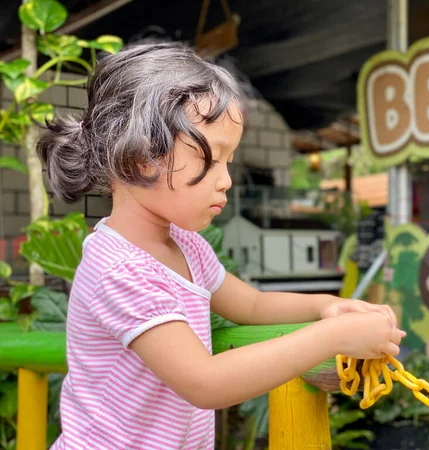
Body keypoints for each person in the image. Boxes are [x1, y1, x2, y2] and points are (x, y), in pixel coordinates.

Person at [38, 42, 405, 450]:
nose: (226, 180)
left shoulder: (185, 245)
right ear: (140, 158)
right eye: (210, 160)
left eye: (228, 162)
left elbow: (250, 306)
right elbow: (204, 382)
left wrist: (324, 306)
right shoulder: (120, 269)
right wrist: (332, 336)